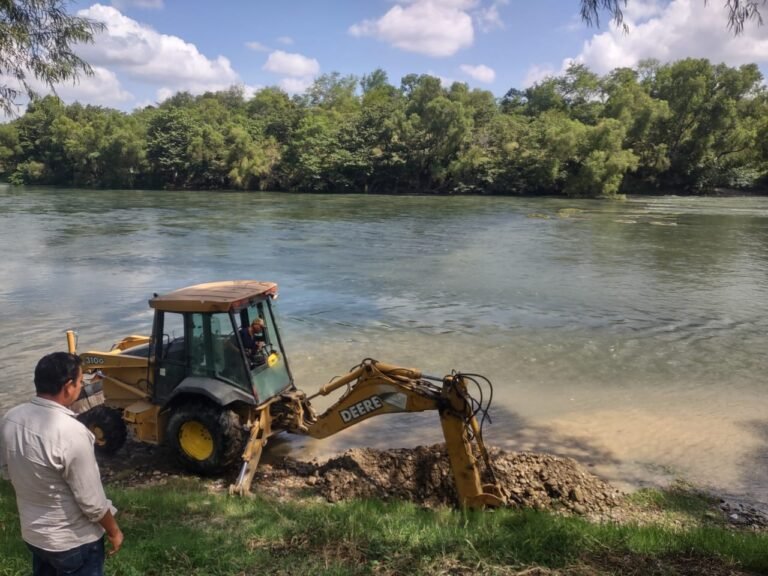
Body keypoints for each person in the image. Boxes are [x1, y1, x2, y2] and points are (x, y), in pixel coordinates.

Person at [0, 352, 123, 576]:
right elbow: (93, 503)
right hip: (74, 542)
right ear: (68, 386)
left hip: (34, 536)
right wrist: (114, 531)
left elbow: (7, 471)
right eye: (79, 382)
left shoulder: (11, 418)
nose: (80, 387)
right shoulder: (72, 432)